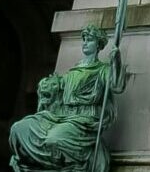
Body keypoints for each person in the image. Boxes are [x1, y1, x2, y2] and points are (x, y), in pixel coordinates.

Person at [7, 24, 125, 172]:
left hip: (83, 119)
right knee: (19, 129)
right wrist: (47, 86)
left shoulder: (103, 69)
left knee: (54, 140)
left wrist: (116, 62)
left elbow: (117, 86)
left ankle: (68, 165)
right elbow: (55, 93)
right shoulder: (72, 71)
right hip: (59, 116)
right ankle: (35, 163)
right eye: (84, 39)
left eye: (89, 40)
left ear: (98, 45)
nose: (85, 43)